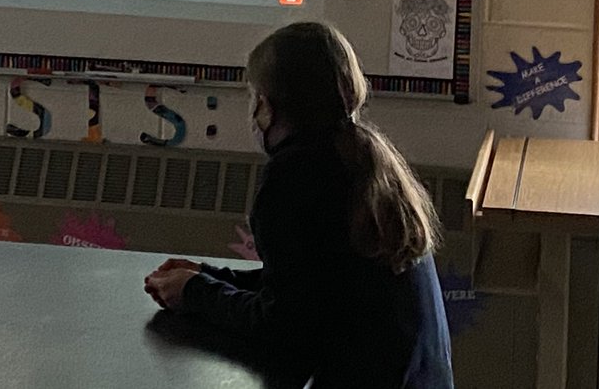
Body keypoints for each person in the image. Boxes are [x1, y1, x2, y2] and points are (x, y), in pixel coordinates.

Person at [143, 22, 453, 389]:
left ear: (266, 105)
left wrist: (195, 292)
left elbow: (283, 327)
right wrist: (209, 277)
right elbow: (310, 285)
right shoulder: (367, 157)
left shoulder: (295, 176)